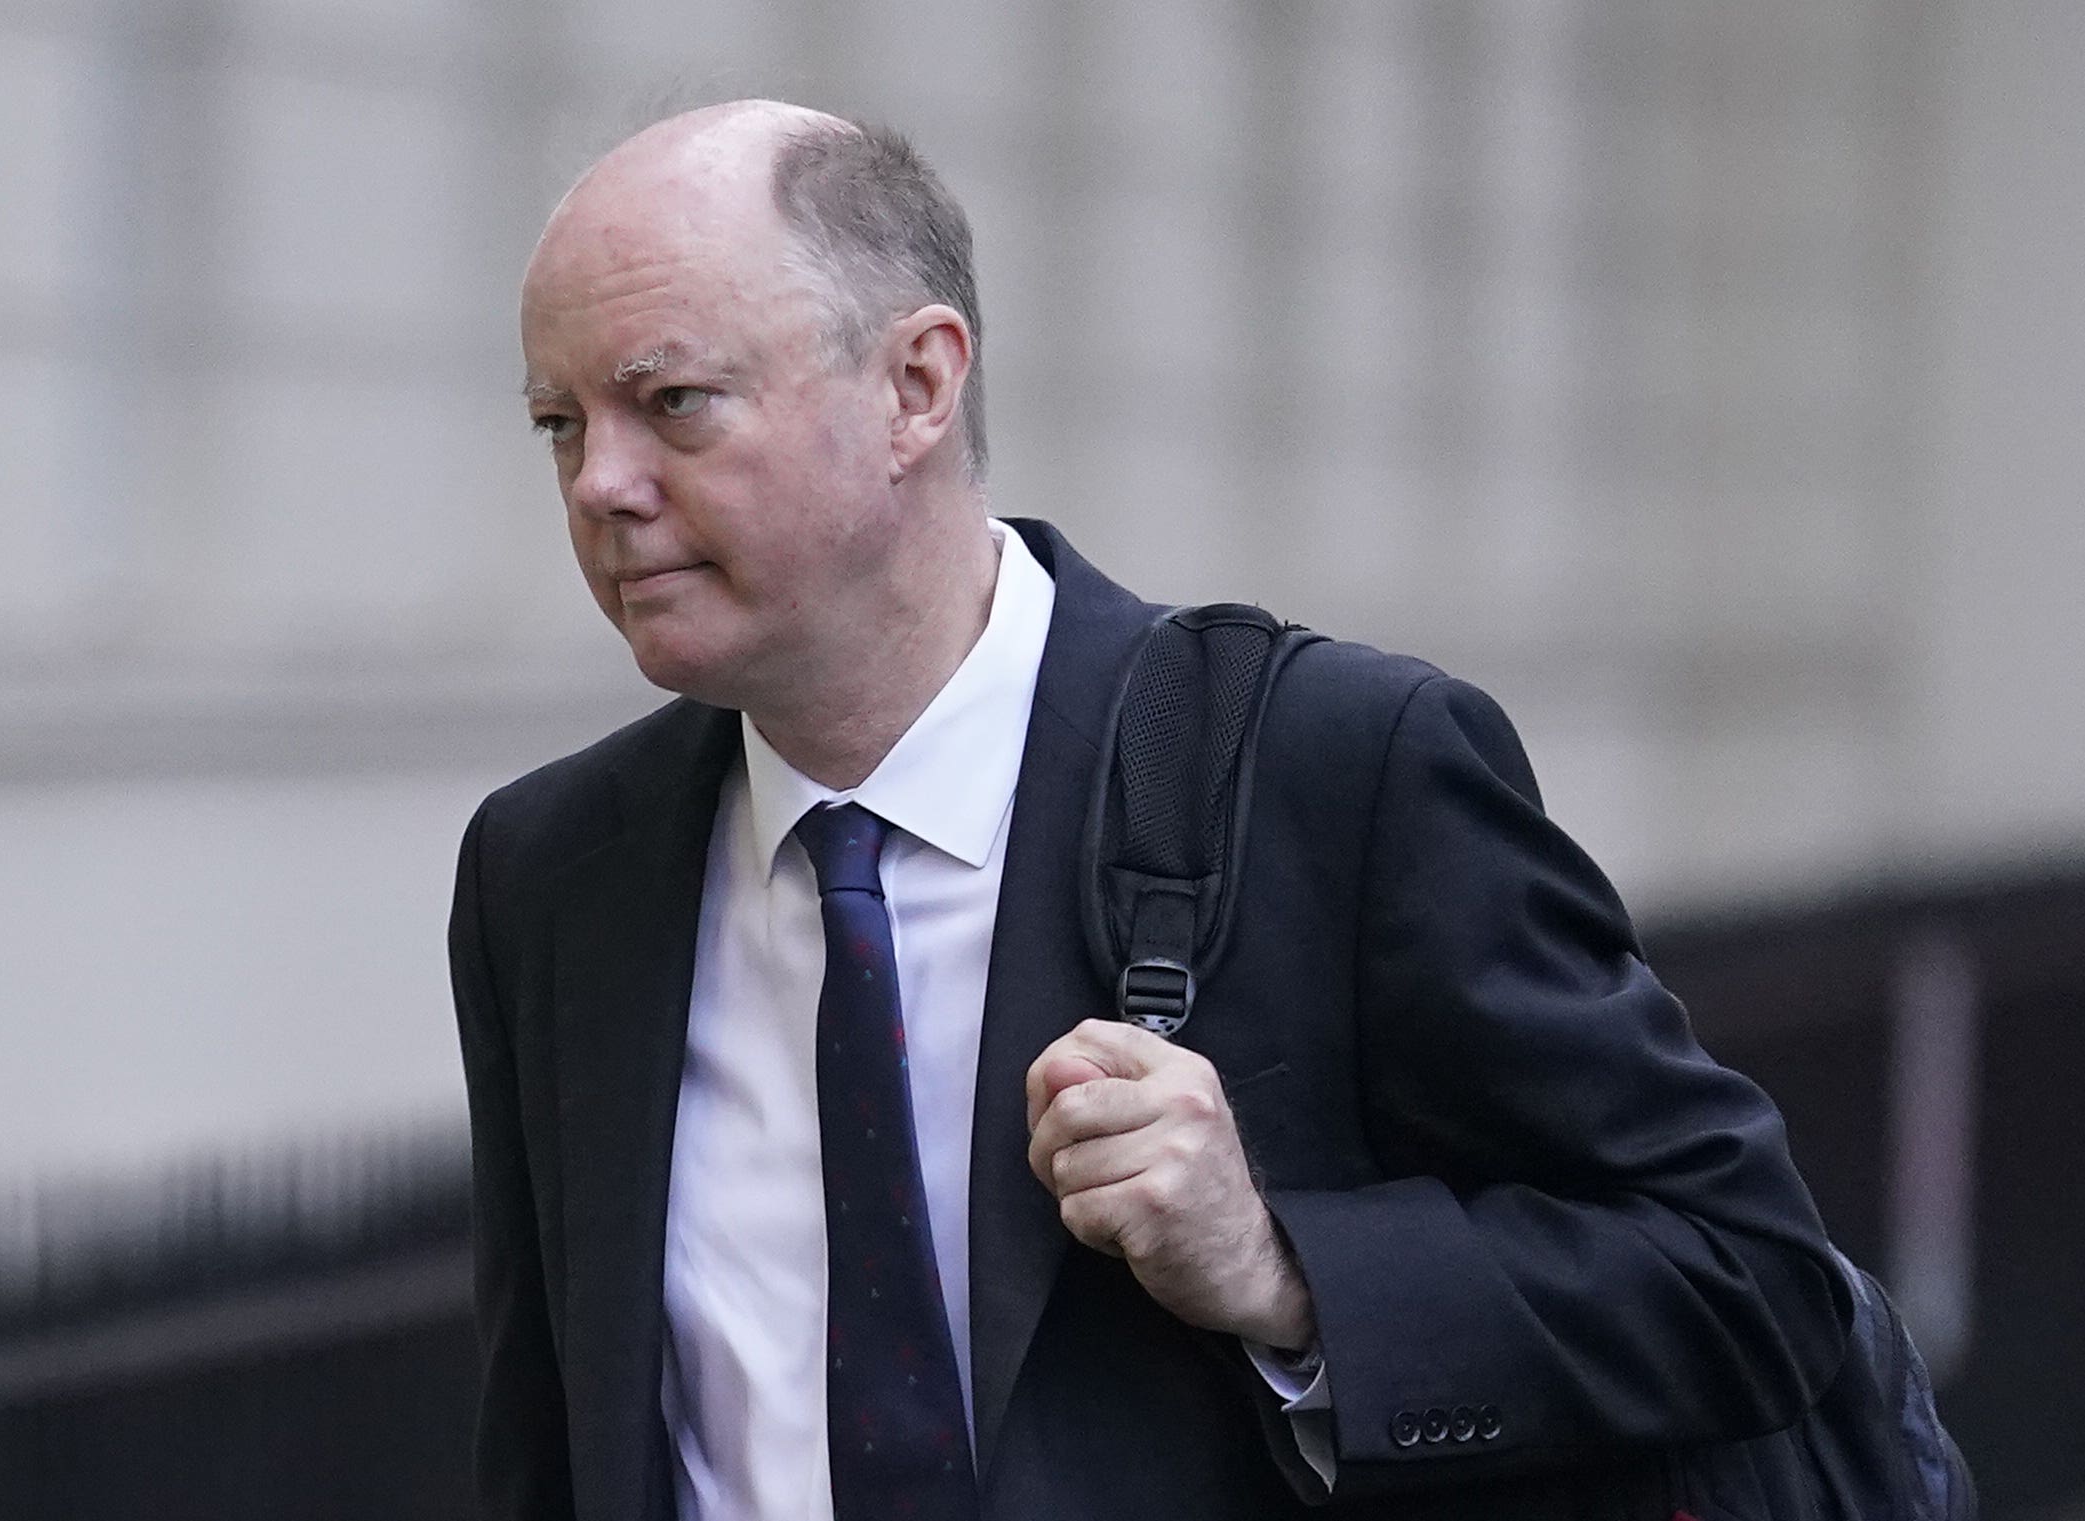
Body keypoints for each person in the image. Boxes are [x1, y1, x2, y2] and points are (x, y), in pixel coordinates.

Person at [448, 100, 1850, 1520]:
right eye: (558, 422)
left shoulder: (1333, 764)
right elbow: (550, 1445)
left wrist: (1285, 1270)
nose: (600, 485)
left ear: (916, 387)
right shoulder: (552, 872)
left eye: (670, 401)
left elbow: (1744, 1277)